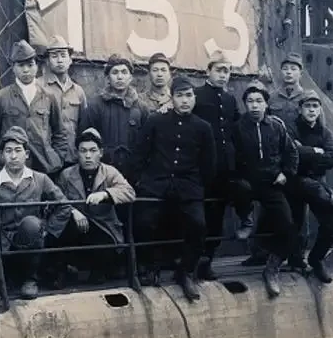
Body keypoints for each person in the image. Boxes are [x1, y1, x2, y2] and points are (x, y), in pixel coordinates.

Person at [133, 76, 217, 301]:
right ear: (172, 98)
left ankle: (186, 270)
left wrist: (198, 187)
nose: (185, 100)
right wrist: (140, 181)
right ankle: (149, 267)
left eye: (189, 96)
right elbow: (140, 153)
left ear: (194, 98)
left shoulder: (203, 127)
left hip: (188, 186)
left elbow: (209, 165)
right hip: (156, 184)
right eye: (180, 96)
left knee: (198, 225)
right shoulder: (155, 121)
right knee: (144, 221)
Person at [0, 126, 71, 300]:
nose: (13, 156)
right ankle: (6, 277)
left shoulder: (40, 179)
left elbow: (64, 206)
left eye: (18, 150)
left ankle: (30, 278)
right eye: (8, 151)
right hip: (1, 237)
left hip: (29, 237)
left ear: (26, 154)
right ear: (2, 155)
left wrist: (47, 231)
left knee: (31, 224)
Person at [231, 80, 302, 298]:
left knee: (288, 227)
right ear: (245, 104)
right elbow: (231, 158)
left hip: (271, 184)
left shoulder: (276, 126)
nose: (254, 105)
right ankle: (246, 219)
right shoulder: (237, 128)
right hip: (248, 183)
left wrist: (285, 173)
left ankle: (272, 267)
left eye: (258, 101)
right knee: (240, 188)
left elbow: (291, 153)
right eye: (250, 101)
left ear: (265, 104)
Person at [288, 89, 333, 283]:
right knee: (297, 221)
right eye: (307, 106)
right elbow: (292, 154)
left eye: (315, 106)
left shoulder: (325, 133)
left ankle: (316, 258)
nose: (311, 110)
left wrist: (306, 153)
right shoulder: (291, 129)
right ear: (300, 109)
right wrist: (316, 151)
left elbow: (330, 160)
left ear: (320, 109)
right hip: (295, 182)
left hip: (316, 184)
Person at [192, 50, 255, 280]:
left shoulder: (229, 100)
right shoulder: (196, 96)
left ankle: (207, 262)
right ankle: (190, 263)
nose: (223, 75)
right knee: (199, 218)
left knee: (217, 217)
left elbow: (236, 128)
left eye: (227, 71)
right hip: (200, 168)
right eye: (219, 70)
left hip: (224, 168)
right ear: (208, 71)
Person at [47, 127, 136, 287]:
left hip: (103, 228)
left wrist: (106, 194)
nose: (88, 156)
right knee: (62, 227)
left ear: (100, 153)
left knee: (104, 255)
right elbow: (56, 199)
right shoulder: (66, 175)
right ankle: (61, 272)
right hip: (75, 228)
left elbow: (129, 192)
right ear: (77, 153)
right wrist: (73, 211)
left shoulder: (110, 172)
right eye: (83, 151)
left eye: (93, 150)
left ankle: (99, 271)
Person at [245, 52, 308, 267]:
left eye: (293, 69)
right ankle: (262, 252)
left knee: (297, 211)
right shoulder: (271, 98)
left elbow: (317, 128)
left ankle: (296, 256)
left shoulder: (307, 98)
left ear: (300, 72)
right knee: (269, 211)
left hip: (296, 164)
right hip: (273, 165)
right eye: (286, 69)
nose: (289, 73)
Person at [0, 40, 70, 178]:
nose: (26, 70)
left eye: (30, 65)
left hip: (44, 166)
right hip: (12, 167)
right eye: (21, 65)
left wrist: (57, 158)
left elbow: (60, 132)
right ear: (13, 68)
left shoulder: (48, 96)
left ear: (37, 66)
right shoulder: (2, 97)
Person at [78, 54, 150, 183]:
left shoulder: (141, 108)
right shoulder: (95, 106)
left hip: (133, 173)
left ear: (130, 77)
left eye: (124, 72)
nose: (120, 77)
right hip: (102, 172)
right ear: (108, 78)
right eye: (115, 72)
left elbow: (147, 144)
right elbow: (85, 139)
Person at [40, 35, 88, 166]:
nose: (59, 60)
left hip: (72, 158)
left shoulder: (78, 91)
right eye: (54, 56)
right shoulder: (38, 87)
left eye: (63, 55)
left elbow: (83, 127)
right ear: (47, 61)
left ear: (70, 59)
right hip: (46, 159)